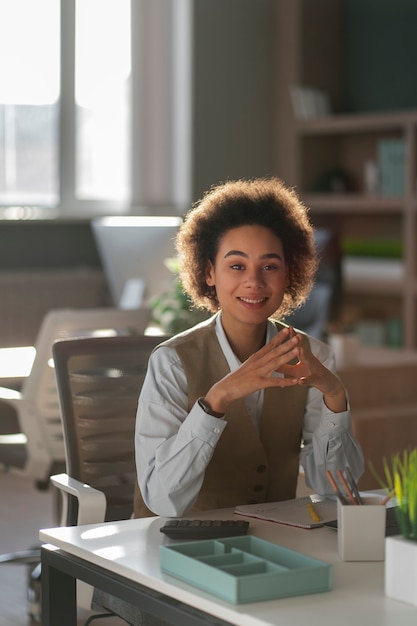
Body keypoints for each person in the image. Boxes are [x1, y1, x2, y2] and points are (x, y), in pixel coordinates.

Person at [134, 177, 364, 518]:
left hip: (277, 539)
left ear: (288, 274)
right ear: (210, 272)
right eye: (237, 266)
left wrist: (333, 392)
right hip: (177, 547)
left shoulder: (315, 358)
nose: (254, 282)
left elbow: (335, 488)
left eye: (269, 267)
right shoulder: (172, 362)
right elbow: (163, 500)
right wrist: (216, 402)